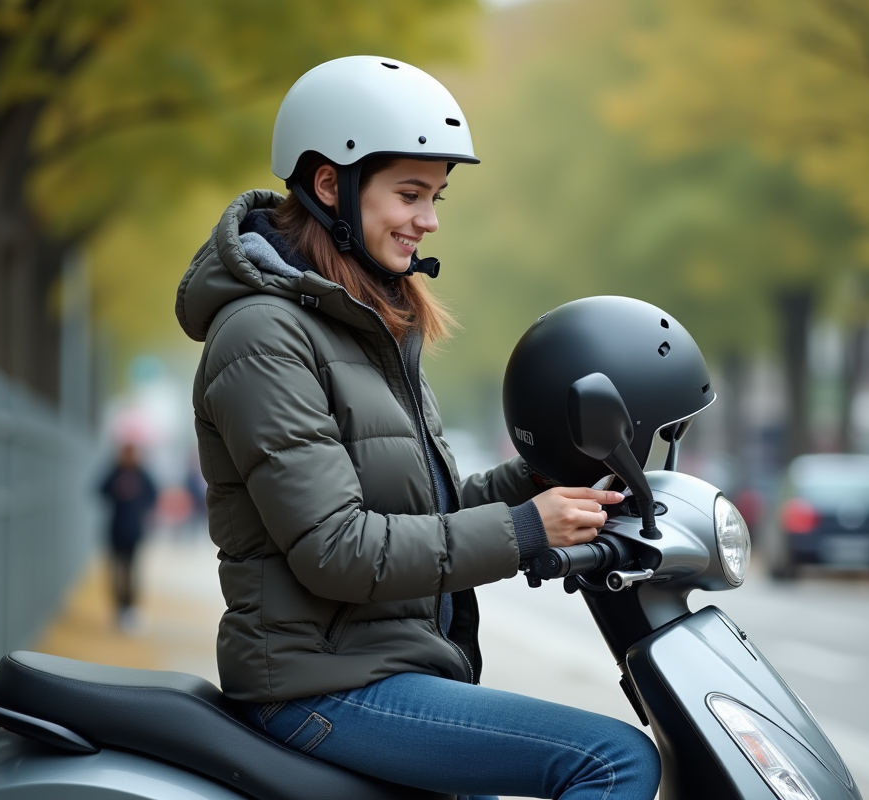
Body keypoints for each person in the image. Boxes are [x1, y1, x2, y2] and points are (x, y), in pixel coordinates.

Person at [175, 56, 661, 800]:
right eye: (409, 193)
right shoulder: (264, 337)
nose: (429, 220)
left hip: (385, 667)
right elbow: (337, 550)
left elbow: (416, 516)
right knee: (613, 760)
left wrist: (543, 475)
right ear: (330, 183)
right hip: (320, 686)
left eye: (436, 196)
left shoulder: (364, 324)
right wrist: (526, 529)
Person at [98, 442, 158, 631]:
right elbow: (99, 490)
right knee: (116, 572)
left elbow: (154, 494)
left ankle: (130, 609)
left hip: (134, 531)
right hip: (116, 530)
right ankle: (118, 608)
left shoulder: (142, 473)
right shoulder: (114, 472)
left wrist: (141, 507)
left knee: (131, 572)